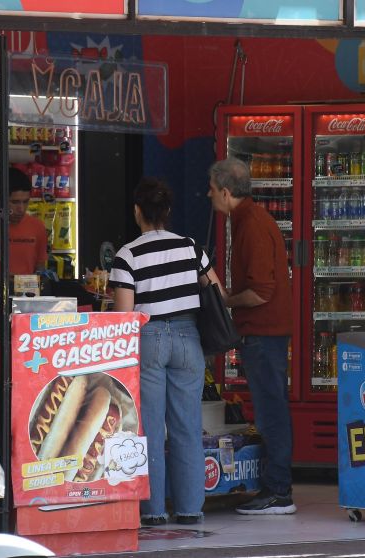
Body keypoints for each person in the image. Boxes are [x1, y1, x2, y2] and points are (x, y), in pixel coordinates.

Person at [109, 177, 222, 526]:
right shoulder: (191, 248)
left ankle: (154, 509)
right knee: (188, 426)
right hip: (189, 338)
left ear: (137, 211)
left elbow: (125, 317)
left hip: (150, 338)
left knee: (149, 429)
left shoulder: (127, 256)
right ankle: (190, 508)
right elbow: (217, 289)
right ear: (168, 211)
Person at [206, 157, 295, 515]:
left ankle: (278, 492)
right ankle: (277, 488)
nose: (208, 195)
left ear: (226, 192)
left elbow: (261, 291)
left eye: (212, 189)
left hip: (263, 332)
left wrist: (225, 299)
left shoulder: (253, 225)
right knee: (271, 408)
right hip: (263, 331)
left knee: (272, 411)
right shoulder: (248, 220)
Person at [8, 167, 48, 276]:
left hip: (27, 291)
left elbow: (40, 267)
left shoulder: (37, 227)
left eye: (25, 202)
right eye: (15, 202)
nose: (21, 208)